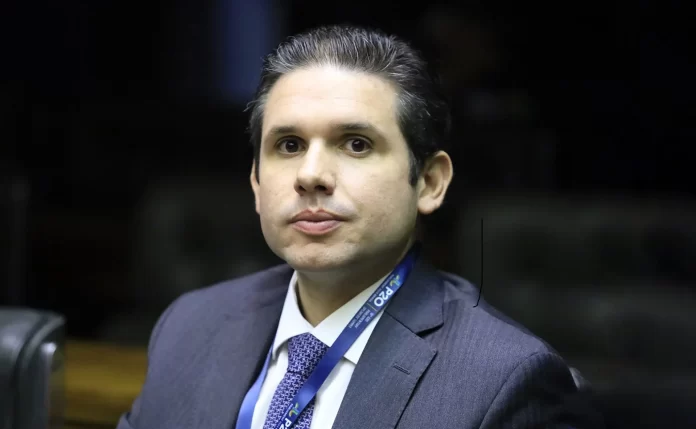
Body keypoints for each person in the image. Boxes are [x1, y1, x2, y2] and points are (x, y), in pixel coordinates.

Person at [117, 25, 602, 429]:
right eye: (288, 145)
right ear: (257, 183)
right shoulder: (190, 326)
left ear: (429, 182)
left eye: (356, 144)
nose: (310, 175)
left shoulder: (506, 380)